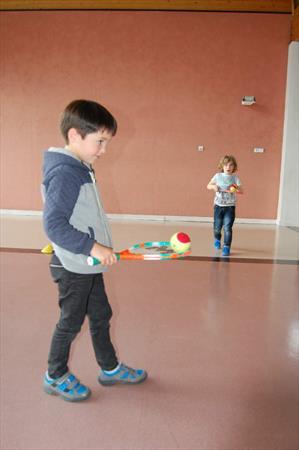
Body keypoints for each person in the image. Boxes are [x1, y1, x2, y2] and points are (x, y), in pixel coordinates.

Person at [41, 99, 147, 402]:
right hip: (73, 265)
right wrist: (93, 246)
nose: (104, 150)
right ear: (75, 135)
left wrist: (96, 249)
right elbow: (54, 225)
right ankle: (54, 375)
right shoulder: (65, 172)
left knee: (101, 314)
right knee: (70, 322)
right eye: (100, 141)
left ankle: (110, 368)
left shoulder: (80, 167)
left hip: (86, 263)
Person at [207, 155, 243, 257]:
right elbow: (208, 185)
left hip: (230, 207)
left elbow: (242, 191)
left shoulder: (235, 178)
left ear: (234, 167)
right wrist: (214, 187)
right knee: (217, 227)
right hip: (218, 206)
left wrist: (234, 190)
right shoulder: (218, 176)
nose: (228, 167)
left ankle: (227, 246)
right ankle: (217, 238)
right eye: (226, 165)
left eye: (231, 165)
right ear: (222, 166)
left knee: (227, 227)